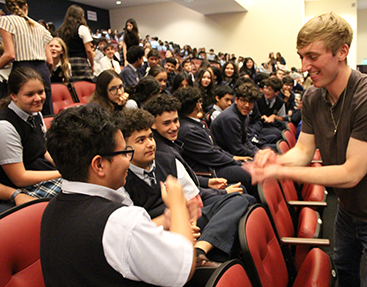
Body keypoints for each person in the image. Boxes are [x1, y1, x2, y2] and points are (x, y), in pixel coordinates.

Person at [245, 12, 367, 287]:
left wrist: (281, 172)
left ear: (342, 51)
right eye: (301, 56)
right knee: (345, 275)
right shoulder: (314, 95)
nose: (303, 66)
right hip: (349, 211)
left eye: (312, 57)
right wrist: (277, 160)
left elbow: (351, 173)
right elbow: (303, 151)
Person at [40, 105, 196, 286]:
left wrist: (167, 220)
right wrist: (178, 207)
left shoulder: (50, 208)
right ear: (99, 165)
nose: (128, 161)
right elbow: (182, 268)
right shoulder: (120, 221)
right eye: (124, 153)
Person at [115, 108, 254, 264]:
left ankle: (200, 250)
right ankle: (212, 256)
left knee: (240, 200)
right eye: (141, 140)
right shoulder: (120, 178)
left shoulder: (167, 159)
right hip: (158, 231)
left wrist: (190, 224)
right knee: (231, 222)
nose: (150, 144)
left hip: (186, 217)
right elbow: (136, 230)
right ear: (124, 147)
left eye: (151, 137)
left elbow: (192, 199)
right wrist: (178, 225)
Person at [174, 87, 258, 198]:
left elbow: (214, 148)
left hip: (216, 162)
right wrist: (234, 160)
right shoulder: (188, 130)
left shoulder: (194, 123)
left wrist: (233, 157)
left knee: (253, 166)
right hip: (210, 170)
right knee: (253, 173)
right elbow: (210, 155)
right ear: (197, 105)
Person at [0, 67, 61, 198]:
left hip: (42, 173)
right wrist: (62, 173)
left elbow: (43, 150)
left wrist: (61, 165)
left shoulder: (35, 113)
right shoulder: (5, 126)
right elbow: (20, 178)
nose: (38, 98)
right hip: (23, 187)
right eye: (30, 94)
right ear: (14, 96)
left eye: (41, 92)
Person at [0, 0, 54, 115]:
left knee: (22, 112)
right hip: (43, 70)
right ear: (25, 6)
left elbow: (10, 54)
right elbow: (50, 61)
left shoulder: (6, 21)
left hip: (22, 71)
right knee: (46, 112)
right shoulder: (39, 26)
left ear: (8, 8)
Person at [211, 82, 261, 157]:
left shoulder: (243, 114)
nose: (247, 105)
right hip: (224, 156)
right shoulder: (231, 118)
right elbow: (237, 149)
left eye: (250, 102)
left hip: (233, 152)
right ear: (236, 100)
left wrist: (259, 152)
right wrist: (257, 155)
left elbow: (245, 141)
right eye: (243, 100)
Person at [57, 5, 95, 83]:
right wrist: (92, 64)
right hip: (81, 63)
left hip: (66, 62)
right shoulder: (82, 28)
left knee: (71, 86)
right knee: (86, 85)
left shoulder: (61, 30)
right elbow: (88, 50)